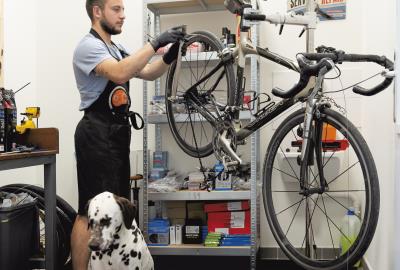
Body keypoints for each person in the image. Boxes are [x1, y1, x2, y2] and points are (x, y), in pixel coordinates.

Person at [72, 0, 184, 269]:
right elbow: (121, 72)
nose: (123, 15)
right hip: (96, 134)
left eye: (123, 9)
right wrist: (155, 42)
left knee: (117, 209)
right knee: (89, 213)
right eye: (116, 9)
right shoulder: (89, 47)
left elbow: (145, 71)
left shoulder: (115, 47)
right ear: (97, 11)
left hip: (117, 134)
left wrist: (168, 56)